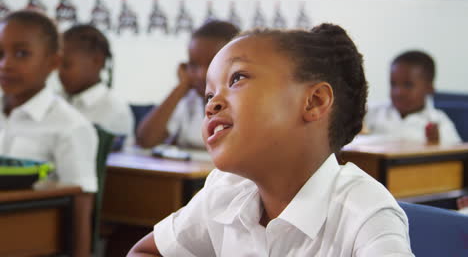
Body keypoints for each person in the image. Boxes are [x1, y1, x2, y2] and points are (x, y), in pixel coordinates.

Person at [128, 24, 414, 256]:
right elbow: (145, 252)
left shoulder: (367, 214)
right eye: (209, 95)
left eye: (237, 78)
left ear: (314, 101)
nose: (211, 105)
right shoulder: (227, 190)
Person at [0, 10, 97, 257]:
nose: (5, 64)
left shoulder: (70, 126)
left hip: (28, 240)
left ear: (53, 62)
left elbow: (80, 205)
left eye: (21, 54)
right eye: (0, 54)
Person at [136, 20, 239, 149]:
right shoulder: (189, 100)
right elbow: (145, 140)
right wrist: (181, 87)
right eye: (193, 65)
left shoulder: (243, 103)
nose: (200, 74)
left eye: (211, 63)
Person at [364, 50, 461, 145]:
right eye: (393, 84)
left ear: (429, 88)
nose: (398, 92)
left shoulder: (439, 122)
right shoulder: (372, 113)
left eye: (408, 85)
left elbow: (457, 156)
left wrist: (436, 144)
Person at [59, 24, 134, 144]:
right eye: (57, 65)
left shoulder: (114, 111)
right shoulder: (56, 100)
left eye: (66, 65)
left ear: (97, 61)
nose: (60, 72)